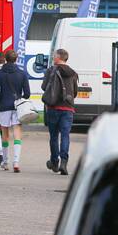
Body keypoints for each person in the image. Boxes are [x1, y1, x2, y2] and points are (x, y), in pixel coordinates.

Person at [0, 49, 31, 173]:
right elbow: (27, 94)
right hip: (17, 107)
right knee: (17, 134)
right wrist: (19, 98)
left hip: (4, 107)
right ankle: (16, 162)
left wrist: (1, 99)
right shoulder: (22, 74)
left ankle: (5, 161)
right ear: (16, 59)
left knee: (5, 135)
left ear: (5, 59)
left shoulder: (1, 73)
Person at [41, 48, 79, 176]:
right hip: (68, 109)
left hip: (53, 108)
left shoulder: (51, 70)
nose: (53, 58)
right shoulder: (73, 73)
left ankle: (54, 162)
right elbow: (74, 92)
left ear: (58, 58)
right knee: (65, 135)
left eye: (54, 56)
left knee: (53, 136)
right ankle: (64, 162)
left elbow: (44, 87)